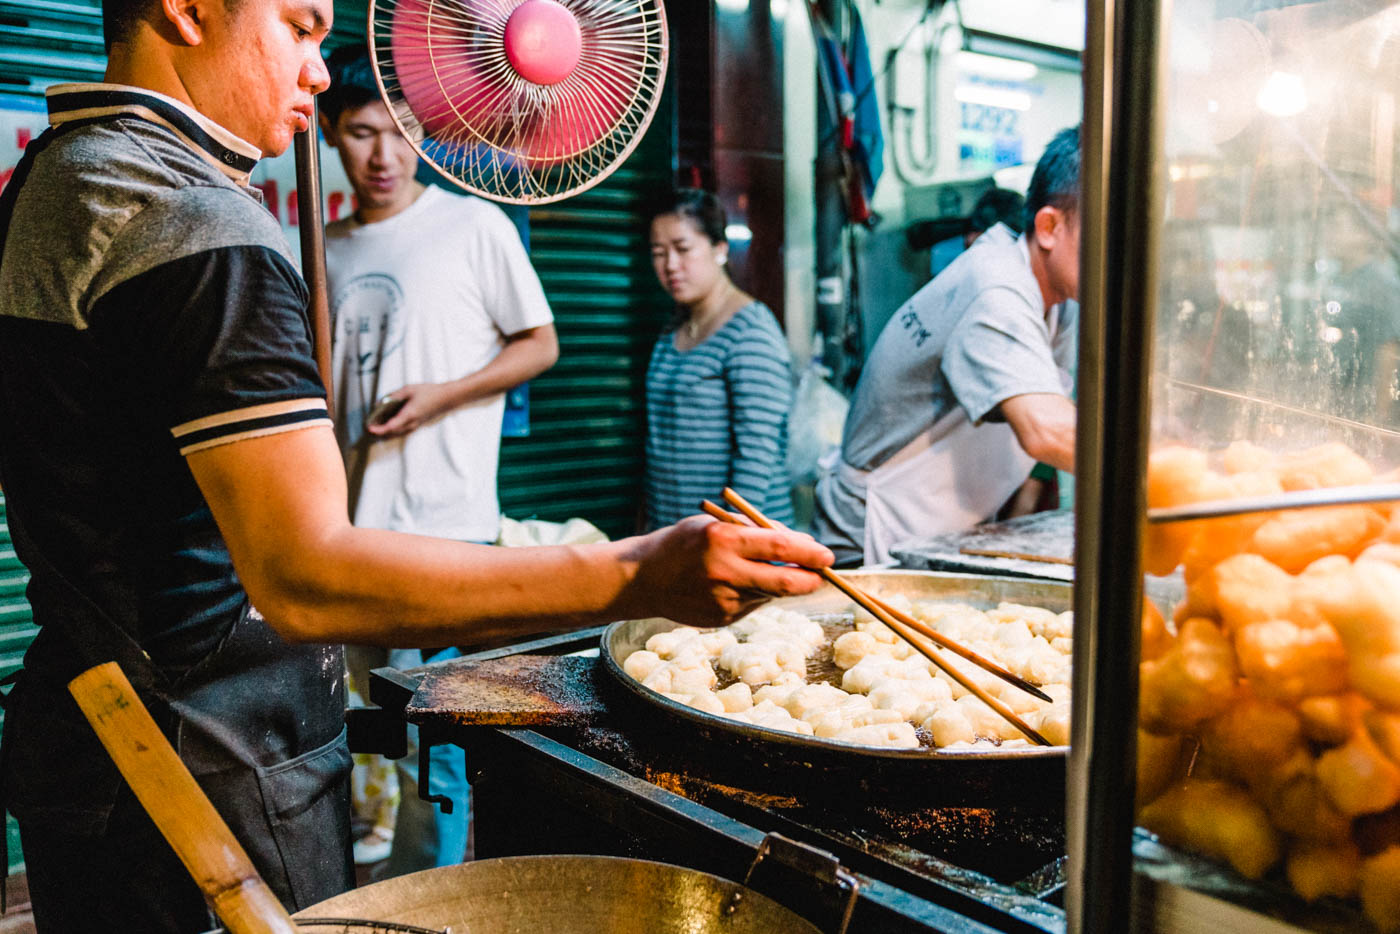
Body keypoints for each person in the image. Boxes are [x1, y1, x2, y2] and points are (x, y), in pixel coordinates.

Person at [0, 0, 833, 930]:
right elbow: (305, 576)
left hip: (91, 742)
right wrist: (638, 572)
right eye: (299, 26)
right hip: (207, 765)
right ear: (190, 10)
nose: (319, 69)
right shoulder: (193, 224)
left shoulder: (54, 177)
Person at [319, 44, 558, 875]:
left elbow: (540, 344)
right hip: (353, 534)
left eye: (401, 131)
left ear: (425, 132)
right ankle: (374, 892)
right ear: (329, 136)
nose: (382, 155)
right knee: (363, 732)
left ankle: (441, 898)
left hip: (449, 530)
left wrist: (441, 395)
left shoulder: (472, 224)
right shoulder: (323, 250)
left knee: (444, 738)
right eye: (358, 133)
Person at [813, 127, 1081, 566]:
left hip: (940, 530)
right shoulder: (995, 289)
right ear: (1049, 226)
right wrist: (1167, 476)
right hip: (871, 540)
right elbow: (1046, 429)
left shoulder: (1060, 300)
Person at [644, 188, 795, 530]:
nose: (670, 265)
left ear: (719, 249)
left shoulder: (750, 332)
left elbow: (756, 460)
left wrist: (732, 539)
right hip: (679, 542)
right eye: (658, 253)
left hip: (743, 549)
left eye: (683, 250)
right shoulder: (674, 328)